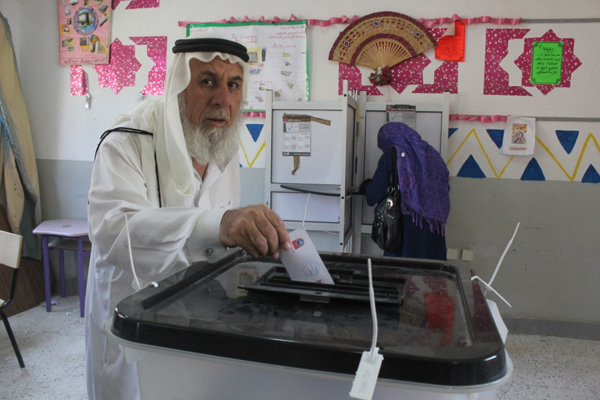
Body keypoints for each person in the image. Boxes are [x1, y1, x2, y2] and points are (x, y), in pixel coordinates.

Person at [84, 31, 291, 400]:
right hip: (132, 318)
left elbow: (219, 247)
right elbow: (115, 233)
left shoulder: (221, 147)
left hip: (196, 316)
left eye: (233, 85)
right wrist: (221, 225)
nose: (223, 100)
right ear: (179, 86)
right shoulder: (126, 142)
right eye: (207, 81)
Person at [361, 122, 450, 260]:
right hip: (434, 231)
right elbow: (445, 188)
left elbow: (374, 195)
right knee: (431, 277)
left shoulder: (392, 155)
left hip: (405, 231)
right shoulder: (433, 154)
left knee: (403, 275)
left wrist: (366, 186)